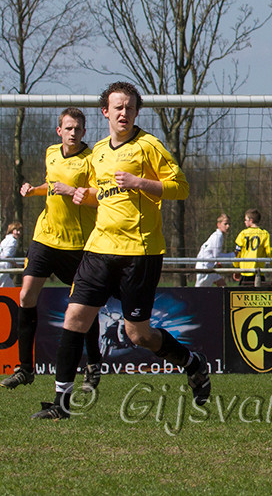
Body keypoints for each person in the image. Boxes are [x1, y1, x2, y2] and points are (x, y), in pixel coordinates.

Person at [31, 82, 210, 420]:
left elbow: (181, 188)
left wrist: (141, 183)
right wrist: (86, 195)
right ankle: (60, 404)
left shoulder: (149, 146)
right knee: (74, 318)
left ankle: (193, 364)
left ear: (137, 112)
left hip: (139, 252)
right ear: (106, 112)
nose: (123, 113)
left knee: (138, 334)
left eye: (129, 107)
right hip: (99, 248)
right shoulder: (98, 151)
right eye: (118, 107)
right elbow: (102, 193)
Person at [1, 109, 104, 393]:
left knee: (83, 307)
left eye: (78, 129)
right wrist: (34, 189)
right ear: (59, 131)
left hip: (77, 245)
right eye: (68, 128)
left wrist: (71, 190)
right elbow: (51, 186)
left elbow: (98, 197)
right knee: (26, 295)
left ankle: (93, 365)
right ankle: (25, 368)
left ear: (84, 132)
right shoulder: (51, 153)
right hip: (45, 237)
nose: (73, 133)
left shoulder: (91, 159)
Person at [233, 208, 272, 286]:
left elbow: (238, 252)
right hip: (259, 271)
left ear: (251, 220)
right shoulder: (264, 233)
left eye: (246, 220)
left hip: (245, 270)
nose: (244, 222)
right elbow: (269, 251)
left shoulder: (243, 233)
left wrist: (236, 266)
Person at [194, 213, 232, 287]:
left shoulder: (217, 235)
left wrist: (217, 263)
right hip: (205, 268)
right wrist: (232, 255)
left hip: (209, 266)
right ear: (218, 224)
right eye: (225, 224)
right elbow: (217, 256)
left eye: (229, 224)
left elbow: (214, 255)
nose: (228, 226)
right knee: (200, 291)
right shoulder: (218, 236)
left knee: (223, 285)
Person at [0, 221, 21, 288]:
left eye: (20, 231)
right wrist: (17, 265)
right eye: (17, 230)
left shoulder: (6, 239)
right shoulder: (13, 241)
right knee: (5, 288)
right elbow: (7, 256)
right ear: (12, 230)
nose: (19, 233)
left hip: (3, 268)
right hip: (4, 268)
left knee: (9, 287)